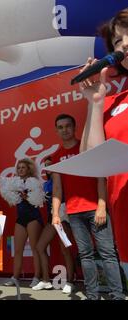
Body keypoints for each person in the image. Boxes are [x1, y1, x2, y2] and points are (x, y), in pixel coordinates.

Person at [78, 7, 128, 294]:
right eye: (117, 42)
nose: (122, 46)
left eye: (126, 37)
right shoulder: (116, 101)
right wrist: (96, 102)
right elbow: (93, 162)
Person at [51, 114, 125, 300]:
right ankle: (92, 295)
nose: (64, 130)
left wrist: (101, 205)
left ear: (74, 128)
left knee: (108, 253)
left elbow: (101, 176)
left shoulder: (85, 149)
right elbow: (58, 188)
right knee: (85, 255)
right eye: (60, 127)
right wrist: (55, 213)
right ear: (56, 130)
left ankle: (117, 294)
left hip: (95, 209)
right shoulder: (56, 156)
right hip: (74, 214)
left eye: (68, 126)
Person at [33, 157, 75, 293]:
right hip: (51, 219)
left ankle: (70, 281)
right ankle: (45, 281)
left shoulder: (63, 181)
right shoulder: (45, 184)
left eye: (51, 165)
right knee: (40, 247)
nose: (49, 168)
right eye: (46, 166)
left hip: (63, 217)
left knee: (65, 250)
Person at [0, 158, 44, 288]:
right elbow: (12, 199)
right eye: (18, 168)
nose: (20, 170)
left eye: (23, 167)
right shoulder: (14, 183)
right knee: (18, 250)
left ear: (29, 169)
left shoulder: (34, 182)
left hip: (33, 217)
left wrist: (27, 197)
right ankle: (15, 277)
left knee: (35, 249)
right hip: (21, 218)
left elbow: (38, 201)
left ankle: (37, 277)